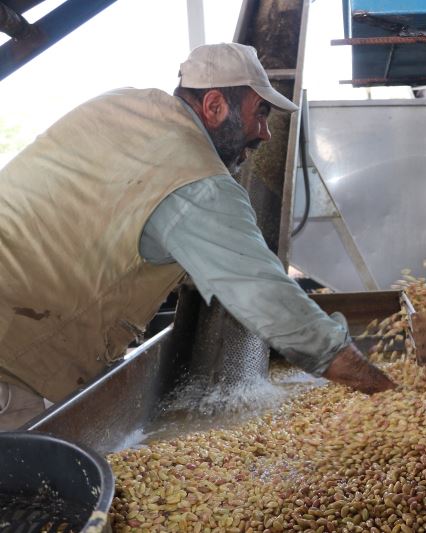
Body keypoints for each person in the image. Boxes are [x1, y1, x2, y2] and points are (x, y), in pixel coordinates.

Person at [0, 43, 396, 431]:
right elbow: (269, 301)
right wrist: (383, 392)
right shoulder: (195, 179)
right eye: (260, 113)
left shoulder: (121, 105)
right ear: (213, 107)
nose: (265, 134)